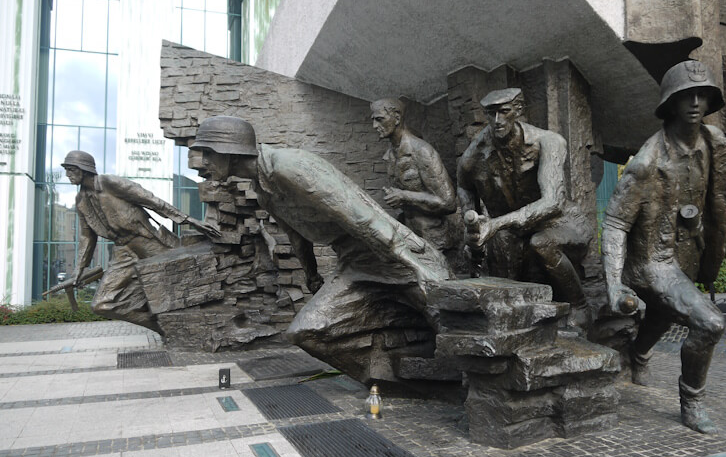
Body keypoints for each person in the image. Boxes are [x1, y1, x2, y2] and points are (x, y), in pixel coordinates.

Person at [189, 116, 452, 383]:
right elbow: (296, 234)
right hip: (354, 263)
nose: (203, 163)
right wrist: (311, 274)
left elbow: (360, 216)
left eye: (208, 153)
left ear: (231, 151)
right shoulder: (263, 191)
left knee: (452, 326)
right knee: (305, 333)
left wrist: (414, 265)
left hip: (393, 254)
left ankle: (448, 376)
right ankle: (400, 377)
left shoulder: (287, 167)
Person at [602, 60, 726, 434]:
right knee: (709, 323)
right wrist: (613, 284)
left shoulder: (715, 142)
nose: (695, 102)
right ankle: (692, 400)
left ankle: (638, 353)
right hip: (653, 261)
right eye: (685, 96)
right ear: (670, 103)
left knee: (665, 313)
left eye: (702, 95)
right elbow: (614, 223)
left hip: (690, 253)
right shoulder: (646, 163)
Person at [456, 88, 593, 332]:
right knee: (502, 265)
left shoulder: (548, 141)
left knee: (541, 243)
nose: (497, 121)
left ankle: (579, 305)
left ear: (518, 111)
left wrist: (497, 223)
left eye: (504, 112)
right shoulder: (475, 154)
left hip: (559, 222)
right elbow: (463, 183)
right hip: (514, 230)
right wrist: (472, 222)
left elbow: (553, 202)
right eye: (491, 114)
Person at [63, 150, 219, 331]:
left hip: (147, 242)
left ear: (84, 169)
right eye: (67, 170)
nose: (68, 175)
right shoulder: (81, 200)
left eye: (71, 169)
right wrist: (78, 270)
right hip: (122, 251)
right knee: (101, 304)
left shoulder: (109, 183)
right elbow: (86, 236)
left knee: (179, 284)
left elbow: (149, 200)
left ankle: (193, 325)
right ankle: (166, 328)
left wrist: (186, 219)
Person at [370, 98, 462, 266]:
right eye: (373, 120)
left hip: (434, 241)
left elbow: (448, 203)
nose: (374, 126)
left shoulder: (422, 151)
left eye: (379, 119)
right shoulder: (389, 155)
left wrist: (405, 196)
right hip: (409, 237)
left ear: (397, 118)